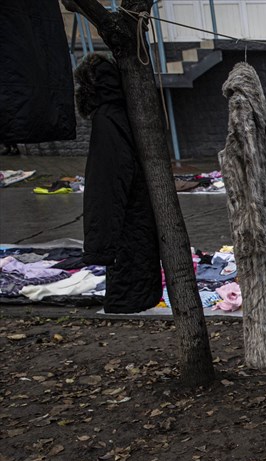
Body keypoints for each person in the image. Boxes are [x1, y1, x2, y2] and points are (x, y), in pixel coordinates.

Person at [74, 54, 162, 313]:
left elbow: (105, 188)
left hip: (127, 222)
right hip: (138, 218)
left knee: (128, 288)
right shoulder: (126, 113)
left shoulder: (107, 120)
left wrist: (98, 250)